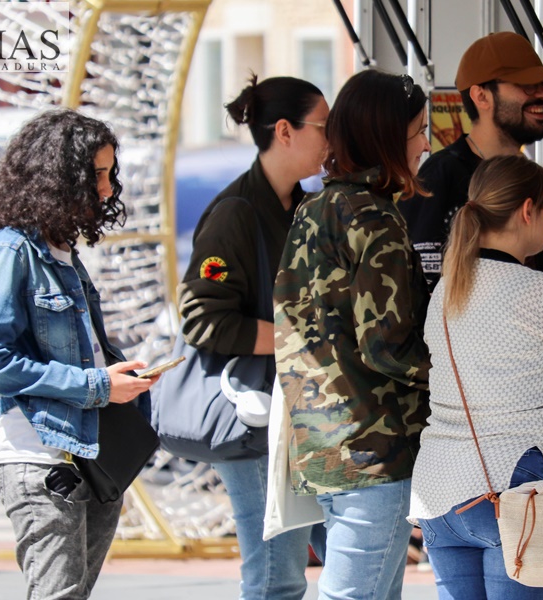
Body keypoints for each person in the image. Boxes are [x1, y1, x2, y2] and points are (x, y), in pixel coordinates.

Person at [408, 155, 543, 599]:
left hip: (440, 493)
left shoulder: (444, 292)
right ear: (529, 210)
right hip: (515, 485)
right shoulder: (542, 291)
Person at [0, 109, 156, 599]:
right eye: (96, 175)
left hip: (91, 457)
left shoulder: (62, 253)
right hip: (40, 459)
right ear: (58, 176)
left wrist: (116, 375)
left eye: (111, 174)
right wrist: (97, 385)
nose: (108, 189)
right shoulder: (11, 250)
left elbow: (77, 353)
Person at [273, 69, 431, 600]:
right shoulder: (377, 218)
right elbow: (386, 345)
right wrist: (461, 379)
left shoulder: (312, 209)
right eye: (418, 132)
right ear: (387, 137)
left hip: (321, 438)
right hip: (374, 446)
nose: (426, 144)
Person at [178, 75, 328, 600]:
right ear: (285, 131)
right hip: (256, 416)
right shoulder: (234, 214)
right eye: (323, 127)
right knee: (276, 579)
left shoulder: (303, 205)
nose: (331, 141)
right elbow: (202, 320)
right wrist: (298, 339)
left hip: (299, 414)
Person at [398, 31, 543, 312]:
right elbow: (425, 296)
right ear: (481, 95)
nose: (542, 94)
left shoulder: (529, 179)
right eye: (527, 85)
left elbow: (531, 280)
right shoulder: (440, 175)